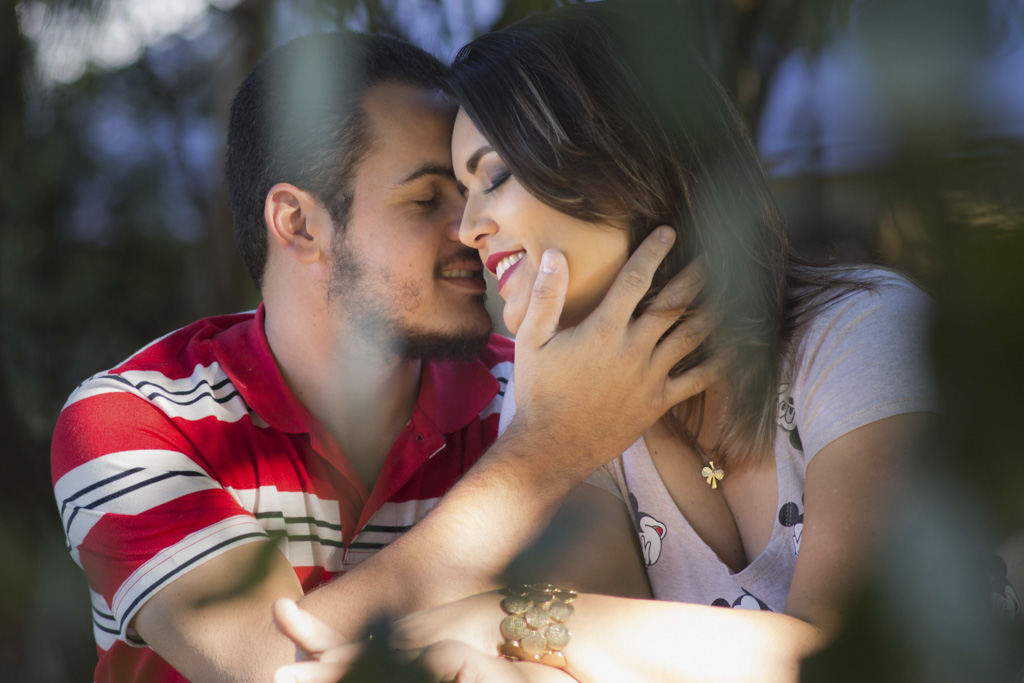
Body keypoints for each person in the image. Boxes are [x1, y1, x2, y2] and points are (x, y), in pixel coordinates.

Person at [272, 3, 943, 682]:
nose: (469, 228)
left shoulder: (859, 332)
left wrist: (495, 618)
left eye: (495, 176)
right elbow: (569, 665)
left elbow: (842, 661)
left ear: (621, 158)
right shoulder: (573, 406)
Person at [51, 30, 719, 683]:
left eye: (475, 188)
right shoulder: (133, 421)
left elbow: (600, 647)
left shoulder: (538, 387)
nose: (472, 229)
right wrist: (544, 453)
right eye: (427, 198)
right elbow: (273, 670)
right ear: (299, 224)